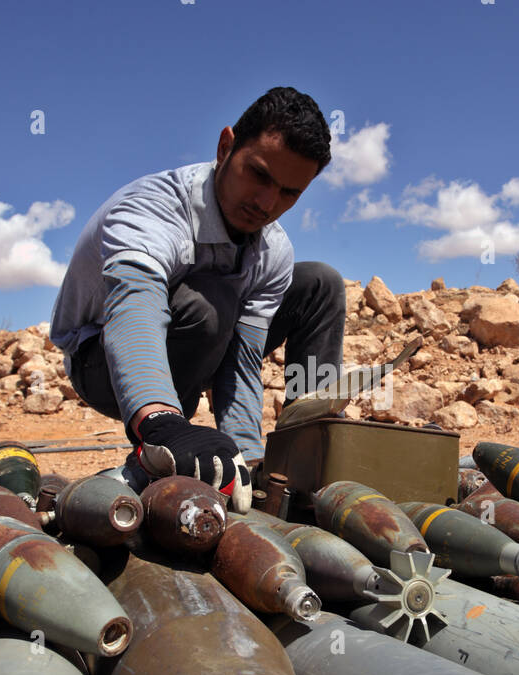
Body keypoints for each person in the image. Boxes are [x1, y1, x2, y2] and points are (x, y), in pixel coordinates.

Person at [50, 86, 346, 511]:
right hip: (103, 360)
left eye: (289, 193)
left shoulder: (272, 249)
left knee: (320, 283)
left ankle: (303, 461)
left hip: (208, 340)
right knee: (210, 303)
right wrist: (163, 422)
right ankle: (160, 442)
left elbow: (243, 357)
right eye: (259, 175)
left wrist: (250, 456)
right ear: (226, 147)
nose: (267, 203)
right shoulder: (152, 208)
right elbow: (136, 305)